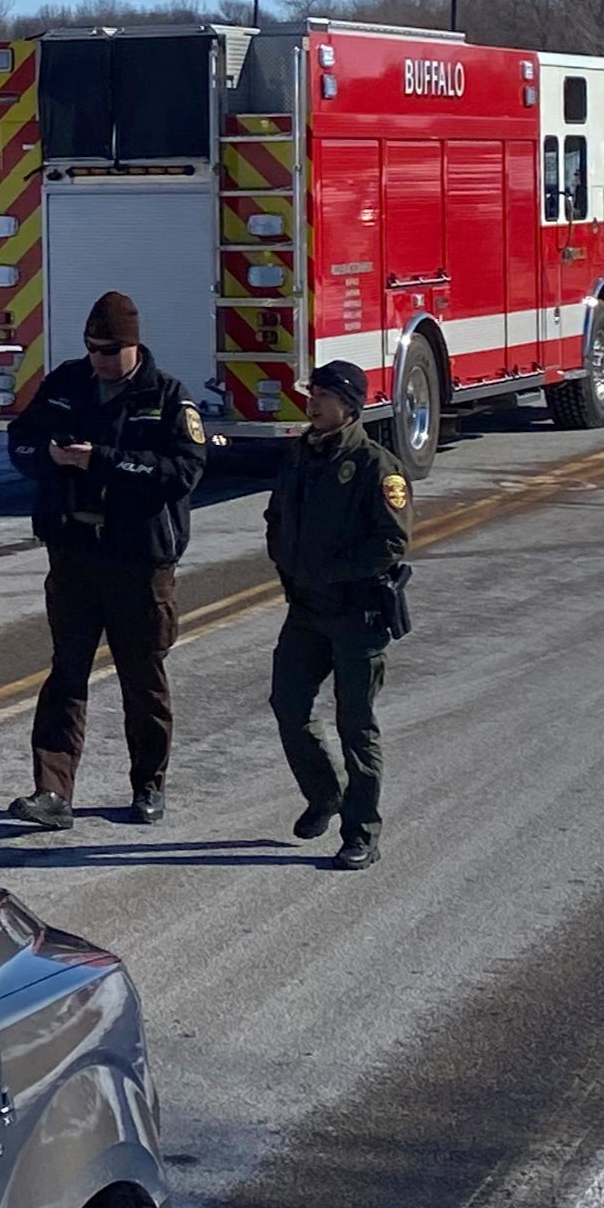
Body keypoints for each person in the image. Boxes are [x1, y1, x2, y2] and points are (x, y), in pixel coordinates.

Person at [5, 292, 207, 830]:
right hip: (73, 555)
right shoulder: (69, 383)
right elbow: (19, 442)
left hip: (138, 563)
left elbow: (183, 471)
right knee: (66, 675)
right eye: (92, 348)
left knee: (142, 681)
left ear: (133, 344)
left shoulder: (165, 397)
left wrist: (106, 463)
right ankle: (51, 792)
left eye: (109, 350)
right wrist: (47, 456)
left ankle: (148, 787)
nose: (98, 359)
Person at [264, 358, 412, 870]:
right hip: (306, 609)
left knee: (356, 724)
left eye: (323, 396)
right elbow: (276, 514)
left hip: (356, 614)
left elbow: (393, 540)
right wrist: (285, 560)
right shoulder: (300, 455)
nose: (312, 403)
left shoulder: (376, 465)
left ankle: (361, 832)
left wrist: (332, 570)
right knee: (288, 706)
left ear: (348, 406)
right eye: (312, 394)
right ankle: (324, 794)